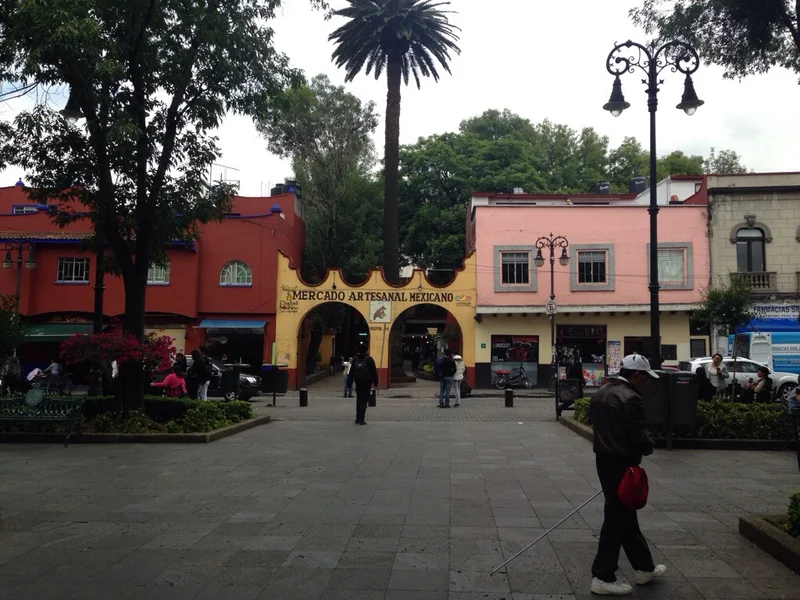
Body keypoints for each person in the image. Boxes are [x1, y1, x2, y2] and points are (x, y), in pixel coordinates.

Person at [589, 354, 666, 596]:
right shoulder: (630, 398)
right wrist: (648, 447)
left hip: (604, 459)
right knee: (616, 519)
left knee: (625, 516)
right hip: (623, 463)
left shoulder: (603, 391)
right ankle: (603, 575)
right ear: (636, 375)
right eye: (645, 377)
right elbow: (637, 434)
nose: (646, 382)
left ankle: (644, 567)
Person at [347, 343, 378, 425]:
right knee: (364, 400)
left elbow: (351, 372)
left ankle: (357, 418)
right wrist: (376, 382)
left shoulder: (355, 359)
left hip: (358, 382)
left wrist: (349, 383)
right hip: (367, 383)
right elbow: (374, 372)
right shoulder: (369, 360)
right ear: (366, 350)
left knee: (359, 399)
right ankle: (362, 419)